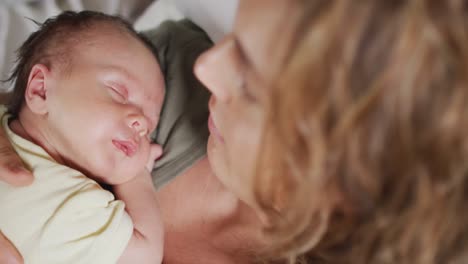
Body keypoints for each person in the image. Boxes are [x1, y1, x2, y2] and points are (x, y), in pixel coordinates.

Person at [3, 0, 468, 263]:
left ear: (343, 172)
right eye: (233, 41)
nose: (206, 68)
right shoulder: (158, 74)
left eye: (250, 77)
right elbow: (45, 91)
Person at [0, 11, 165, 264]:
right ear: (40, 89)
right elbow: (146, 254)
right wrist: (138, 177)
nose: (141, 124)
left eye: (150, 127)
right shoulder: (73, 205)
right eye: (119, 93)